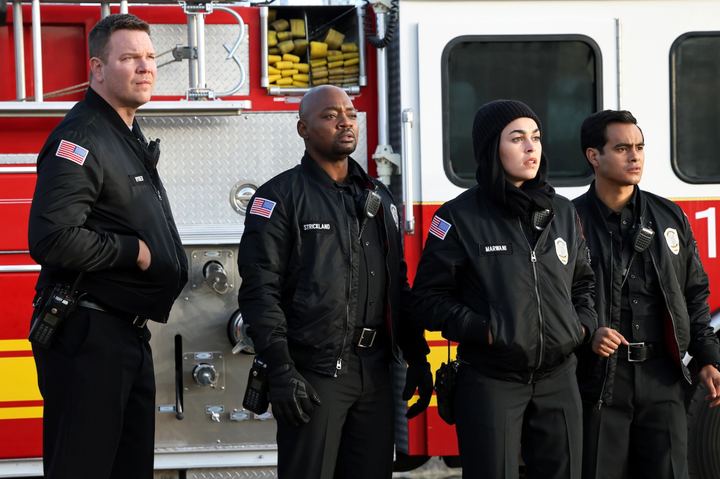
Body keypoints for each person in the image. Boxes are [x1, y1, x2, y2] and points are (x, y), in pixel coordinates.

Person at [237, 84, 433, 479]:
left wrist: (418, 356)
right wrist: (281, 369)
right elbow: (260, 291)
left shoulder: (379, 196)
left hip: (375, 372)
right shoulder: (279, 197)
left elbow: (398, 285)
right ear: (303, 129)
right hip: (314, 373)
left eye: (350, 113)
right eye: (330, 115)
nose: (345, 121)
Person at [27, 14, 188, 479]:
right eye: (129, 58)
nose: (145, 68)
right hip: (87, 336)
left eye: (151, 57)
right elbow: (52, 237)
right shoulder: (81, 137)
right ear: (97, 68)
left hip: (122, 335)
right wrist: (132, 251)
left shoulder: (125, 134)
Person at [412, 100, 597, 479]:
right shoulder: (457, 217)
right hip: (491, 381)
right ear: (490, 150)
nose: (531, 148)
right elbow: (428, 300)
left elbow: (583, 283)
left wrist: (580, 327)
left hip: (559, 379)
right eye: (517, 138)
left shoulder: (561, 211)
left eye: (536, 137)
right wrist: (486, 331)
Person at [573, 110, 720, 479]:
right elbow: (555, 299)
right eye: (621, 148)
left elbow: (694, 292)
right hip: (600, 381)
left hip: (664, 378)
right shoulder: (568, 221)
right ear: (594, 156)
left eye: (639, 147)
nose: (634, 156)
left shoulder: (670, 216)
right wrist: (588, 333)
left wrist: (706, 356)